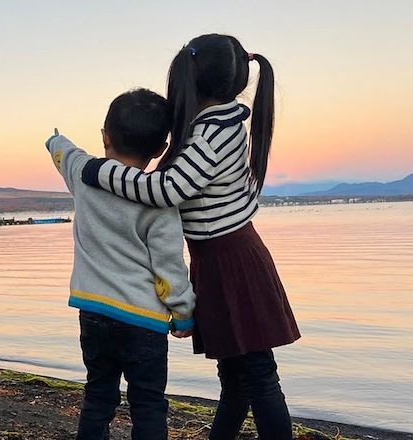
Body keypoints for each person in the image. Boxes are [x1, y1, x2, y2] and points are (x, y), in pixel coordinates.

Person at [64, 34, 301, 440]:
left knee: (258, 374)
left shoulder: (215, 131)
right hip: (218, 257)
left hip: (232, 260)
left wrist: (92, 172)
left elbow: (165, 190)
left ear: (190, 81)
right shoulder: (212, 125)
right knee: (236, 375)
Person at [46, 88, 196, 440]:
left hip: (94, 313)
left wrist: (53, 139)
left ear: (105, 137)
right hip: (143, 322)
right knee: (148, 403)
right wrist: (184, 313)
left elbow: (61, 151)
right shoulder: (159, 200)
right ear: (160, 150)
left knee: (98, 395)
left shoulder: (83, 173)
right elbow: (169, 268)